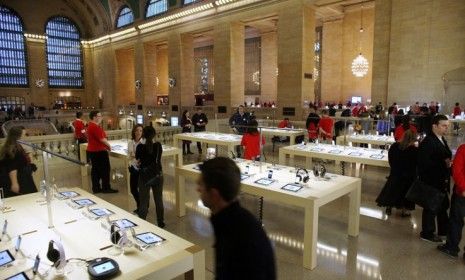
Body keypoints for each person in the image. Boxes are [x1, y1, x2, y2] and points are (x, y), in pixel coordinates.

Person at [197, 157, 276, 279]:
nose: (197, 189)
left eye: (201, 185)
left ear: (214, 194)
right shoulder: (229, 221)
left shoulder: (241, 236)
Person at [417, 114, 452, 243]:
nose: (446, 129)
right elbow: (423, 164)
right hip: (432, 182)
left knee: (442, 206)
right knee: (431, 208)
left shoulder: (441, 139)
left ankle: (444, 230)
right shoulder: (428, 142)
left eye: (447, 126)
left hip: (441, 181)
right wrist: (444, 164)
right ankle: (427, 233)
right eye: (443, 126)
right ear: (434, 126)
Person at [376, 129, 417, 216]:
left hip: (395, 173)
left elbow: (390, 159)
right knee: (405, 193)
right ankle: (404, 210)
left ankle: (389, 207)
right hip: (408, 176)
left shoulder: (394, 146)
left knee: (392, 190)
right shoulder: (414, 150)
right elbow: (415, 164)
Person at [437, 143, 465, 258]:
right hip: (462, 191)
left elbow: (457, 170)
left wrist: (463, 187)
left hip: (461, 193)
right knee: (456, 220)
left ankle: (452, 248)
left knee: (456, 220)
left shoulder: (463, 149)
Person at [136, 126, 164, 228]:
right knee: (159, 199)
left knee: (143, 200)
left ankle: (142, 222)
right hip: (157, 175)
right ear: (154, 134)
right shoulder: (158, 145)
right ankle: (160, 222)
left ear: (143, 134)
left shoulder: (139, 147)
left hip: (144, 176)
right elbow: (158, 159)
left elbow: (138, 160)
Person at [0, 126, 37, 197]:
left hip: (22, 177)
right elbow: (12, 167)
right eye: (24, 135)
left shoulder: (13, 146)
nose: (25, 137)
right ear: (17, 136)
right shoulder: (13, 148)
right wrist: (14, 183)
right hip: (19, 179)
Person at [86, 110, 117, 194]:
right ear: (94, 117)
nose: (101, 118)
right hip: (98, 151)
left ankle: (96, 188)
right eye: (99, 116)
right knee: (105, 170)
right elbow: (102, 139)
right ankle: (106, 188)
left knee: (96, 170)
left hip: (93, 151)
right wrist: (109, 146)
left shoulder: (92, 126)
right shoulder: (94, 126)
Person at [128, 124, 144, 214]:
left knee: (141, 189)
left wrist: (134, 155)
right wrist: (131, 162)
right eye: (137, 130)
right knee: (133, 189)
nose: (138, 132)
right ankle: (139, 204)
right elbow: (129, 155)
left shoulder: (144, 143)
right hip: (133, 168)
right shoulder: (130, 142)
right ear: (134, 131)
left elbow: (144, 157)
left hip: (141, 169)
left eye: (141, 131)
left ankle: (141, 207)